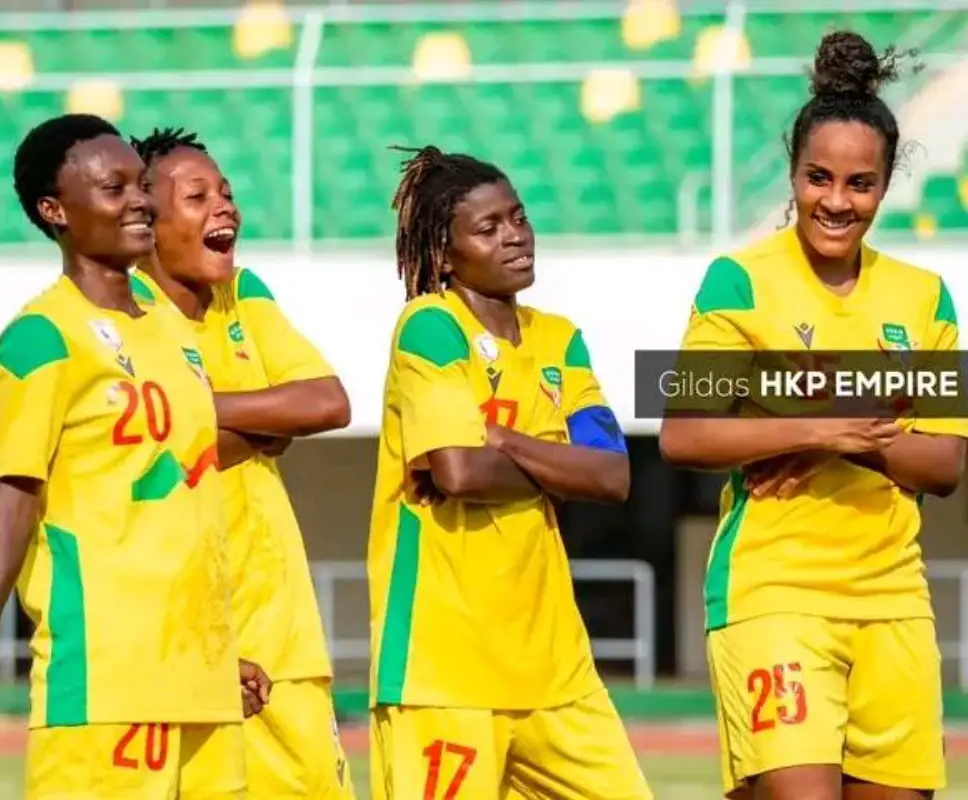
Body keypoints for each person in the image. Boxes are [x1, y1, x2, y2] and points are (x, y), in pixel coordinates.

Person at [659, 31, 966, 800]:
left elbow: (945, 465)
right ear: (792, 175)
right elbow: (686, 433)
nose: (836, 200)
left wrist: (826, 411)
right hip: (774, 591)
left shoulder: (924, 297)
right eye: (817, 177)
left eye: (860, 183)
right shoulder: (740, 281)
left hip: (894, 598)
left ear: (886, 185)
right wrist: (834, 424)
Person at [0, 113, 270, 799]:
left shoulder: (172, 331)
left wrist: (217, 651)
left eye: (141, 185)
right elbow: (15, 495)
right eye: (114, 188)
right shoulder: (40, 339)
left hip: (202, 673)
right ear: (54, 210)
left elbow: (184, 481)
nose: (140, 201)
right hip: (107, 678)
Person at [368, 144, 651, 800]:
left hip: (556, 670)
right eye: (489, 227)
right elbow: (460, 471)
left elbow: (613, 478)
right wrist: (557, 462)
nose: (516, 236)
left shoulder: (559, 339)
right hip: (445, 670)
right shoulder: (431, 327)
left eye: (519, 218)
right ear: (444, 253)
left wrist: (510, 442)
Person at [128, 127, 357, 798]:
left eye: (226, 192)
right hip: (187, 642)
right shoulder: (128, 317)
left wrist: (194, 410)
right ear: (148, 222)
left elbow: (326, 401)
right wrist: (262, 423)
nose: (224, 207)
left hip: (284, 636)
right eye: (197, 196)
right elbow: (140, 456)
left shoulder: (245, 293)